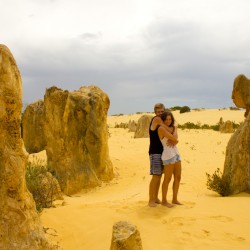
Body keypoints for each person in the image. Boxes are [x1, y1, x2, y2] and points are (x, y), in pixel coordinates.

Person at [148, 104, 178, 207]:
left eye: (162, 111)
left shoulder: (162, 122)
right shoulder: (157, 120)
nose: (160, 113)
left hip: (162, 152)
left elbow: (172, 131)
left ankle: (156, 198)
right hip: (155, 152)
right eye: (158, 112)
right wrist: (172, 129)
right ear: (155, 113)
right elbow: (170, 130)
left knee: (159, 176)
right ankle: (151, 200)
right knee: (156, 176)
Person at [158, 111, 182, 208]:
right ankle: (164, 200)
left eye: (170, 119)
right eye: (166, 119)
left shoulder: (173, 128)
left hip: (176, 153)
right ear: (163, 120)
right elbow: (174, 139)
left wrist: (175, 129)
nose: (168, 121)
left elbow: (175, 139)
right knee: (167, 179)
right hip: (168, 155)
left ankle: (175, 199)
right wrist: (175, 139)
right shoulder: (161, 129)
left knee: (178, 177)